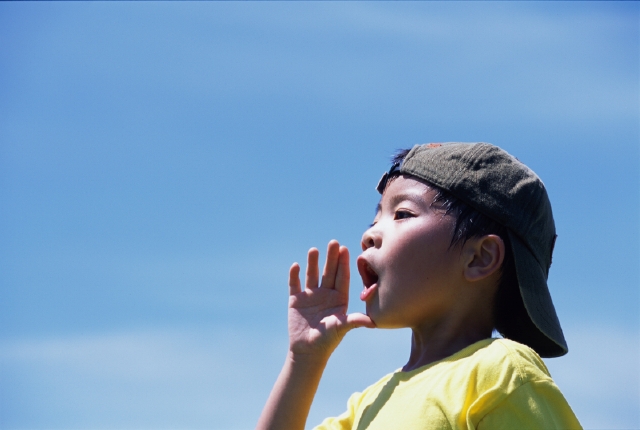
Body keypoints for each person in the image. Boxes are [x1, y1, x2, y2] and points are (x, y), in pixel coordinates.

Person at [257, 142, 582, 430]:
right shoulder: (368, 403)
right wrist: (304, 360)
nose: (368, 235)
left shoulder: (500, 372)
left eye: (402, 214)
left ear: (479, 258)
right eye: (374, 220)